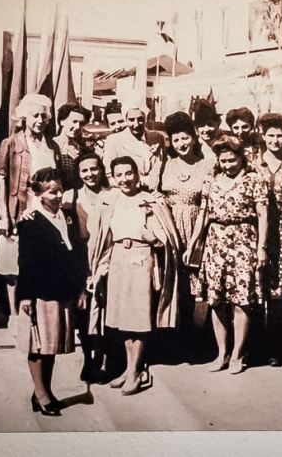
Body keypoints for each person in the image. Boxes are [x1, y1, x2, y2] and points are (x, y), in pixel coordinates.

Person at [88, 156, 181, 395]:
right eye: (119, 175)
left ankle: (136, 371)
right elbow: (104, 238)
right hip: (119, 259)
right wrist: (100, 267)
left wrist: (154, 239)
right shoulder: (111, 200)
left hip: (141, 259)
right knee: (122, 320)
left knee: (138, 320)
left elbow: (169, 241)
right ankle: (130, 369)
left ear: (137, 174)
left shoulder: (150, 200)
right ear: (113, 177)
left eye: (129, 173)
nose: (125, 179)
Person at [184, 136, 269, 375]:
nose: (228, 165)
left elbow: (263, 215)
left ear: (241, 158)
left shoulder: (254, 180)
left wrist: (262, 247)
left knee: (242, 301)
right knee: (216, 301)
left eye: (233, 160)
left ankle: (239, 354)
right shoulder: (211, 180)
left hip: (243, 240)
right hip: (216, 242)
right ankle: (222, 353)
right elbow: (203, 214)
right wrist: (192, 243)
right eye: (224, 161)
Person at [16, 168, 86, 416]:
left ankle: (43, 392)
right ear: (39, 194)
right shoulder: (30, 223)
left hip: (64, 290)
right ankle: (42, 394)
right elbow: (25, 262)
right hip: (40, 293)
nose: (58, 196)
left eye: (60, 190)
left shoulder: (68, 216)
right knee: (38, 346)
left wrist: (80, 288)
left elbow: (78, 255)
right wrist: (24, 295)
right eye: (52, 192)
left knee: (51, 346)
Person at [0, 93, 61, 334]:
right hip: (17, 207)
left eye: (44, 116)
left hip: (43, 209)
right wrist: (4, 214)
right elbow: (2, 181)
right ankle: (14, 315)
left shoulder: (52, 145)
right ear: (24, 117)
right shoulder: (11, 143)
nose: (40, 120)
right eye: (35, 115)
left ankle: (38, 312)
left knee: (40, 260)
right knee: (13, 264)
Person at [156, 111, 214, 360]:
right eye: (176, 140)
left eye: (185, 138)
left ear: (194, 137)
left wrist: (195, 239)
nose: (181, 144)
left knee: (198, 288)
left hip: (198, 229)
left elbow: (208, 203)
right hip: (171, 229)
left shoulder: (207, 165)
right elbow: (156, 192)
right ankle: (174, 339)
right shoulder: (166, 164)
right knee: (174, 286)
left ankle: (202, 339)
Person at [254, 113, 282, 366]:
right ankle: (254, 344)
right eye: (270, 135)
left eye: (280, 135)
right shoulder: (253, 162)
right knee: (256, 287)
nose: (275, 140)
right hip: (258, 226)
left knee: (279, 288)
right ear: (263, 136)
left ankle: (275, 347)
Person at [61, 152, 111, 383]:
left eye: (94, 168)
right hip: (80, 258)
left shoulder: (113, 195)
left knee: (103, 310)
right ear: (79, 174)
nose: (90, 174)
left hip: (106, 257)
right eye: (85, 170)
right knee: (83, 310)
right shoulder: (71, 197)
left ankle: (103, 359)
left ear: (101, 169)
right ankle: (87, 356)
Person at [101, 106, 165, 188]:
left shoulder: (157, 137)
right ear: (126, 120)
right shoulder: (114, 140)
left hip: (155, 191)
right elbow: (108, 176)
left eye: (140, 119)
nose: (136, 124)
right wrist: (138, 183)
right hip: (127, 192)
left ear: (146, 119)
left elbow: (164, 167)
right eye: (131, 120)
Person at [54, 103, 92, 191]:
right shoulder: (51, 146)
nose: (77, 127)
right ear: (62, 121)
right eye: (74, 121)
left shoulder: (83, 150)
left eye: (81, 123)